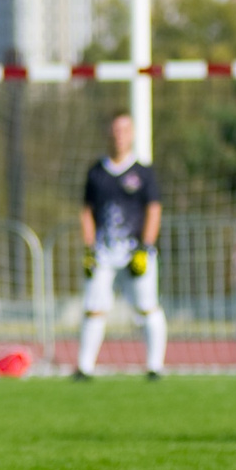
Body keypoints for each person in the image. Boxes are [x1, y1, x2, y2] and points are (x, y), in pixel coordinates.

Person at [76, 112, 164, 379]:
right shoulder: (96, 172)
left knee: (147, 306)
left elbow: (154, 210)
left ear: (133, 133)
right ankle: (84, 367)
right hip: (103, 252)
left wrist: (145, 248)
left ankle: (154, 367)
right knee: (94, 307)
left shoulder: (143, 172)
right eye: (115, 130)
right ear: (108, 133)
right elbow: (86, 212)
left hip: (135, 252)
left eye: (125, 130)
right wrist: (89, 248)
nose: (119, 135)